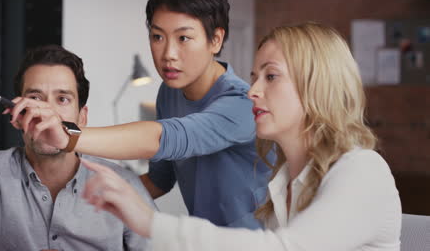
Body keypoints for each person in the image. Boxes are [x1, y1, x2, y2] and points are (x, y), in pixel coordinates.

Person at [81, 22, 402, 251]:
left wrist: (148, 222)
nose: (253, 91)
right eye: (254, 77)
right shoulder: (284, 182)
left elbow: (283, 248)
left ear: (315, 86)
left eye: (271, 76)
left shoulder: (362, 170)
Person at [9, 0, 273, 229]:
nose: (168, 53)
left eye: (183, 38)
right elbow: (160, 179)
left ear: (215, 39)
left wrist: (67, 136)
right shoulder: (169, 93)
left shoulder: (242, 104)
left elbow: (166, 137)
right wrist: (83, 208)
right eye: (158, 36)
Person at [0, 45, 155, 251]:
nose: (47, 113)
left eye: (62, 99)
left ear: (83, 117)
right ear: (16, 115)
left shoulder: (122, 184)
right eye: (35, 98)